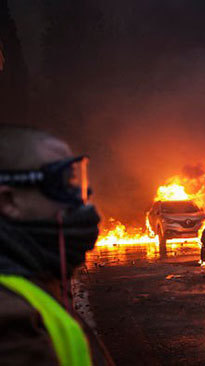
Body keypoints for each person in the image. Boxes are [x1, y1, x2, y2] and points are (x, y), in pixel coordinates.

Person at [0, 125, 113, 365]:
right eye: (60, 182)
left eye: (75, 182)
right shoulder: (12, 322)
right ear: (9, 200)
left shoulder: (35, 282)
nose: (78, 200)